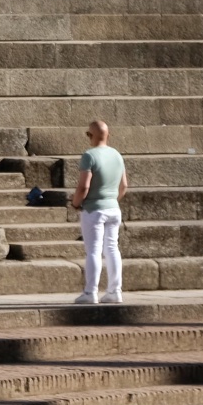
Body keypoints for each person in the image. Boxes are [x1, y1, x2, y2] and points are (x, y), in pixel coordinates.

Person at [68, 118, 127, 305]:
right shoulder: (117, 155)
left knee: (93, 250)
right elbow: (124, 185)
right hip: (113, 208)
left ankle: (90, 292)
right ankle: (114, 291)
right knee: (112, 249)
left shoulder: (89, 155)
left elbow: (83, 187)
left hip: (94, 209)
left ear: (91, 136)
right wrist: (112, 200)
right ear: (108, 135)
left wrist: (76, 204)